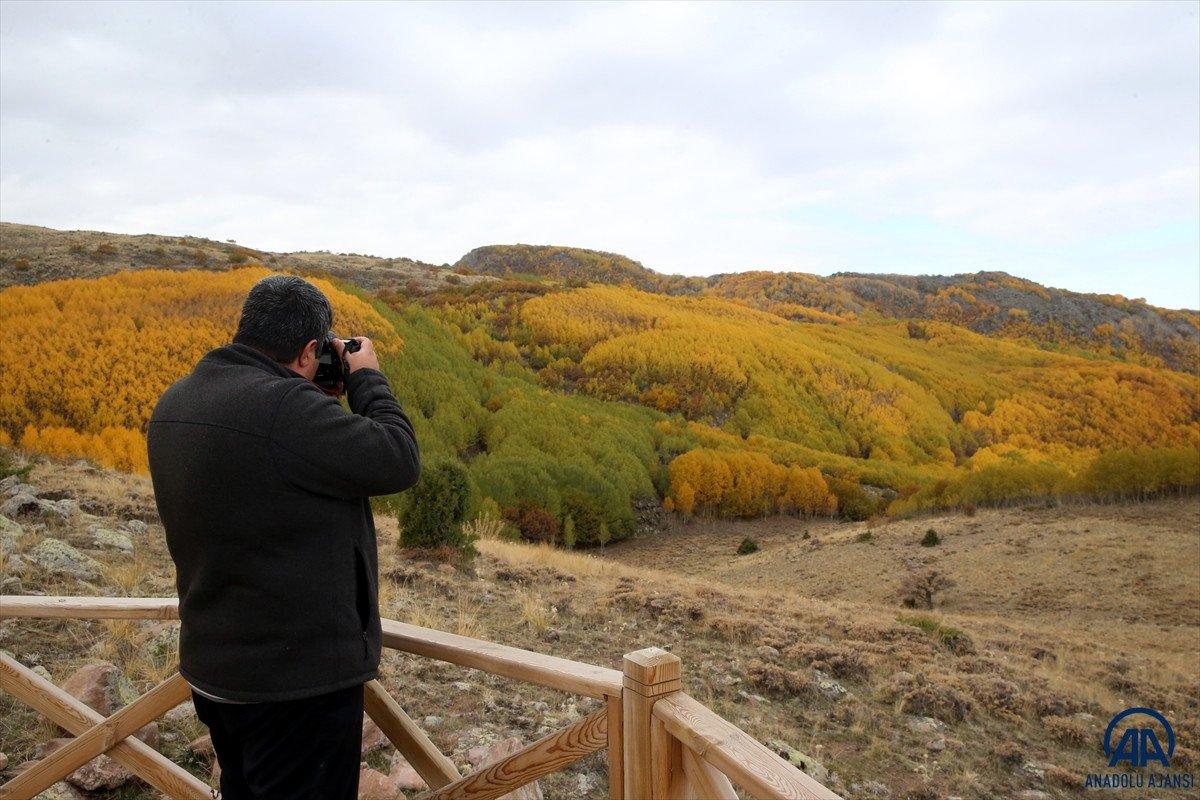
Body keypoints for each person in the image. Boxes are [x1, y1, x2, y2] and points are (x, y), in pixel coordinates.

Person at [146, 274, 421, 799]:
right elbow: (398, 458)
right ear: (309, 350)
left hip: (218, 670)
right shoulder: (286, 412)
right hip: (295, 689)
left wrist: (307, 394)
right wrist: (366, 379)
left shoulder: (178, 399)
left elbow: (260, 482)